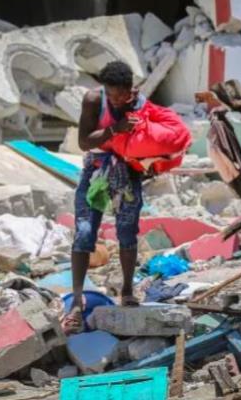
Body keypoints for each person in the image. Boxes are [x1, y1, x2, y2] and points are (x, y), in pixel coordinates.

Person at [63, 61, 145, 334]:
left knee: (127, 232)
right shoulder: (94, 100)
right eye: (112, 95)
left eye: (122, 95)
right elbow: (84, 142)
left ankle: (127, 289)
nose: (117, 99)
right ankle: (76, 301)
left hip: (128, 171)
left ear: (130, 88)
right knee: (84, 232)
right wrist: (115, 129)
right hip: (96, 171)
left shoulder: (140, 103)